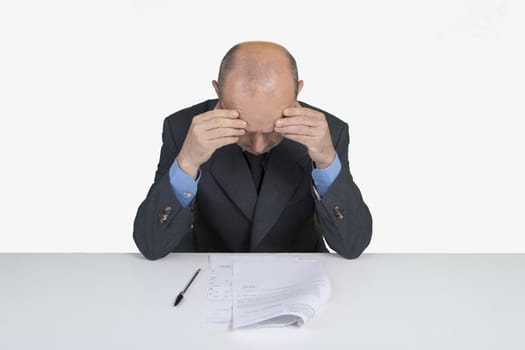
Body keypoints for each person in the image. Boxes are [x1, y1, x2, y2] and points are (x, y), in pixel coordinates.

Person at [133, 41, 372, 260]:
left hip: (298, 278)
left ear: (297, 93)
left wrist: (327, 162)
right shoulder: (183, 128)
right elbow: (151, 245)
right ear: (218, 93)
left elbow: (352, 245)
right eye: (242, 127)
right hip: (209, 277)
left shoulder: (328, 132)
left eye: (273, 128)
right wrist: (186, 164)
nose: (258, 146)